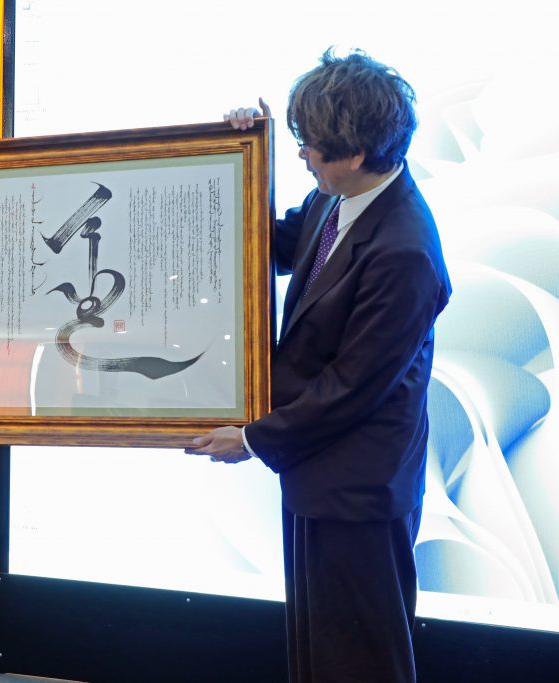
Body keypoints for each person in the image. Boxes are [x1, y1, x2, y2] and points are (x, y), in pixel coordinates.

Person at [187, 50, 451, 682]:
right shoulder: (338, 198)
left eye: (308, 146)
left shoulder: (404, 251)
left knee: (360, 658)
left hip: (359, 488)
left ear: (355, 154)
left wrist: (252, 438)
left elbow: (353, 387)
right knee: (319, 649)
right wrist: (239, 157)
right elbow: (272, 245)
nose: (303, 155)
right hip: (318, 471)